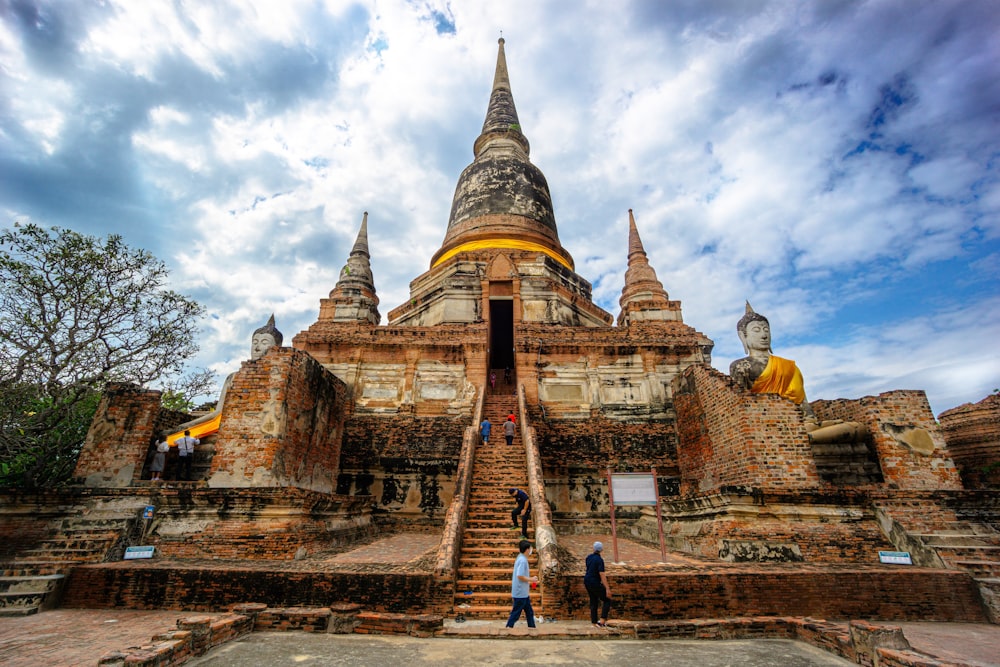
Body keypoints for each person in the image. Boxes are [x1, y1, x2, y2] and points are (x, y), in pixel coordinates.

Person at [729, 302, 865, 444]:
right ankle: (803, 439)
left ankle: (803, 438)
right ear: (743, 337)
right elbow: (742, 402)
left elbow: (804, 404)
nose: (763, 335)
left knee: (857, 428)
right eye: (756, 330)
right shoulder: (741, 366)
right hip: (768, 422)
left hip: (802, 423)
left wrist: (809, 420)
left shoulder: (788, 366)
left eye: (766, 330)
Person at [506, 539, 538, 630]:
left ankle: (532, 627)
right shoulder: (523, 560)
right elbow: (519, 575)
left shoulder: (520, 558)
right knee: (516, 613)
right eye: (530, 548)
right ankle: (508, 627)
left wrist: (531, 581)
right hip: (520, 593)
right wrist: (531, 579)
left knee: (529, 612)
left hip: (523, 592)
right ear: (527, 549)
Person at [584, 541, 612, 627]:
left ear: (593, 548)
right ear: (601, 550)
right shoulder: (599, 560)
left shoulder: (588, 557)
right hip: (594, 582)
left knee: (593, 601)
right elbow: (602, 574)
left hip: (587, 581)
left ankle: (594, 622)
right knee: (607, 600)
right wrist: (607, 588)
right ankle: (602, 620)